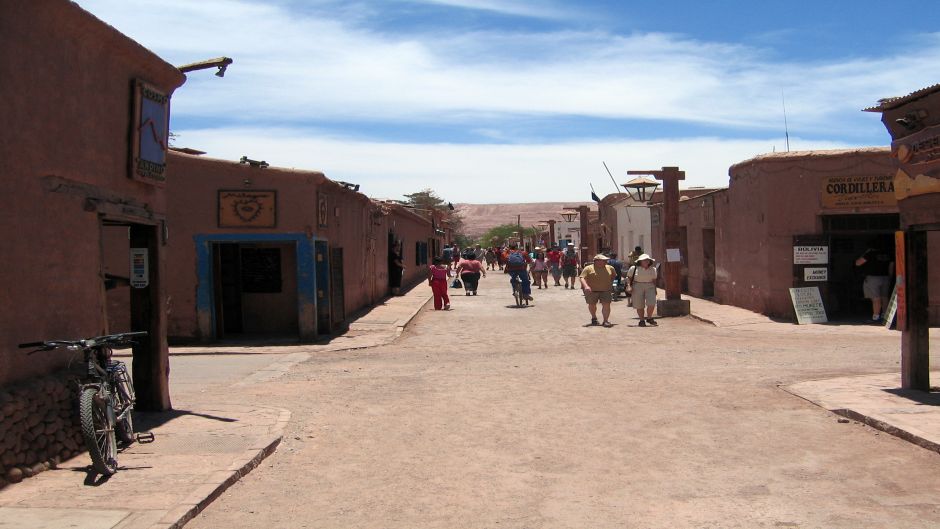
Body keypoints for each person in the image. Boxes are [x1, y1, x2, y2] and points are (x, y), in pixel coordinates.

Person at [855, 242, 894, 323]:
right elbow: (891, 267)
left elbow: (858, 263)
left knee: (876, 298)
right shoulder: (888, 254)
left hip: (873, 278)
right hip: (886, 277)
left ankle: (876, 317)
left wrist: (865, 252)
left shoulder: (870, 253)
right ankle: (884, 316)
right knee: (885, 297)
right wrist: (890, 277)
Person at [579, 254, 616, 327]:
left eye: (605, 260)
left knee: (606, 305)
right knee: (592, 305)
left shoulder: (610, 268)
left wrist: (611, 284)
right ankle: (594, 317)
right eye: (604, 260)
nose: (606, 262)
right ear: (596, 261)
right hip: (592, 290)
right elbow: (582, 277)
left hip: (606, 290)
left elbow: (613, 276)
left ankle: (605, 321)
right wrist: (586, 286)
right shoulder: (588, 268)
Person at [627, 254, 659, 327]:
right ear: (640, 261)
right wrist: (629, 286)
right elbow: (629, 278)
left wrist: (655, 289)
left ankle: (649, 318)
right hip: (637, 285)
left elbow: (654, 280)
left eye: (648, 260)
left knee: (652, 303)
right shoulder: (633, 268)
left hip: (650, 286)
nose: (646, 261)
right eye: (644, 260)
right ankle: (641, 320)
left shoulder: (653, 269)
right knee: (639, 304)